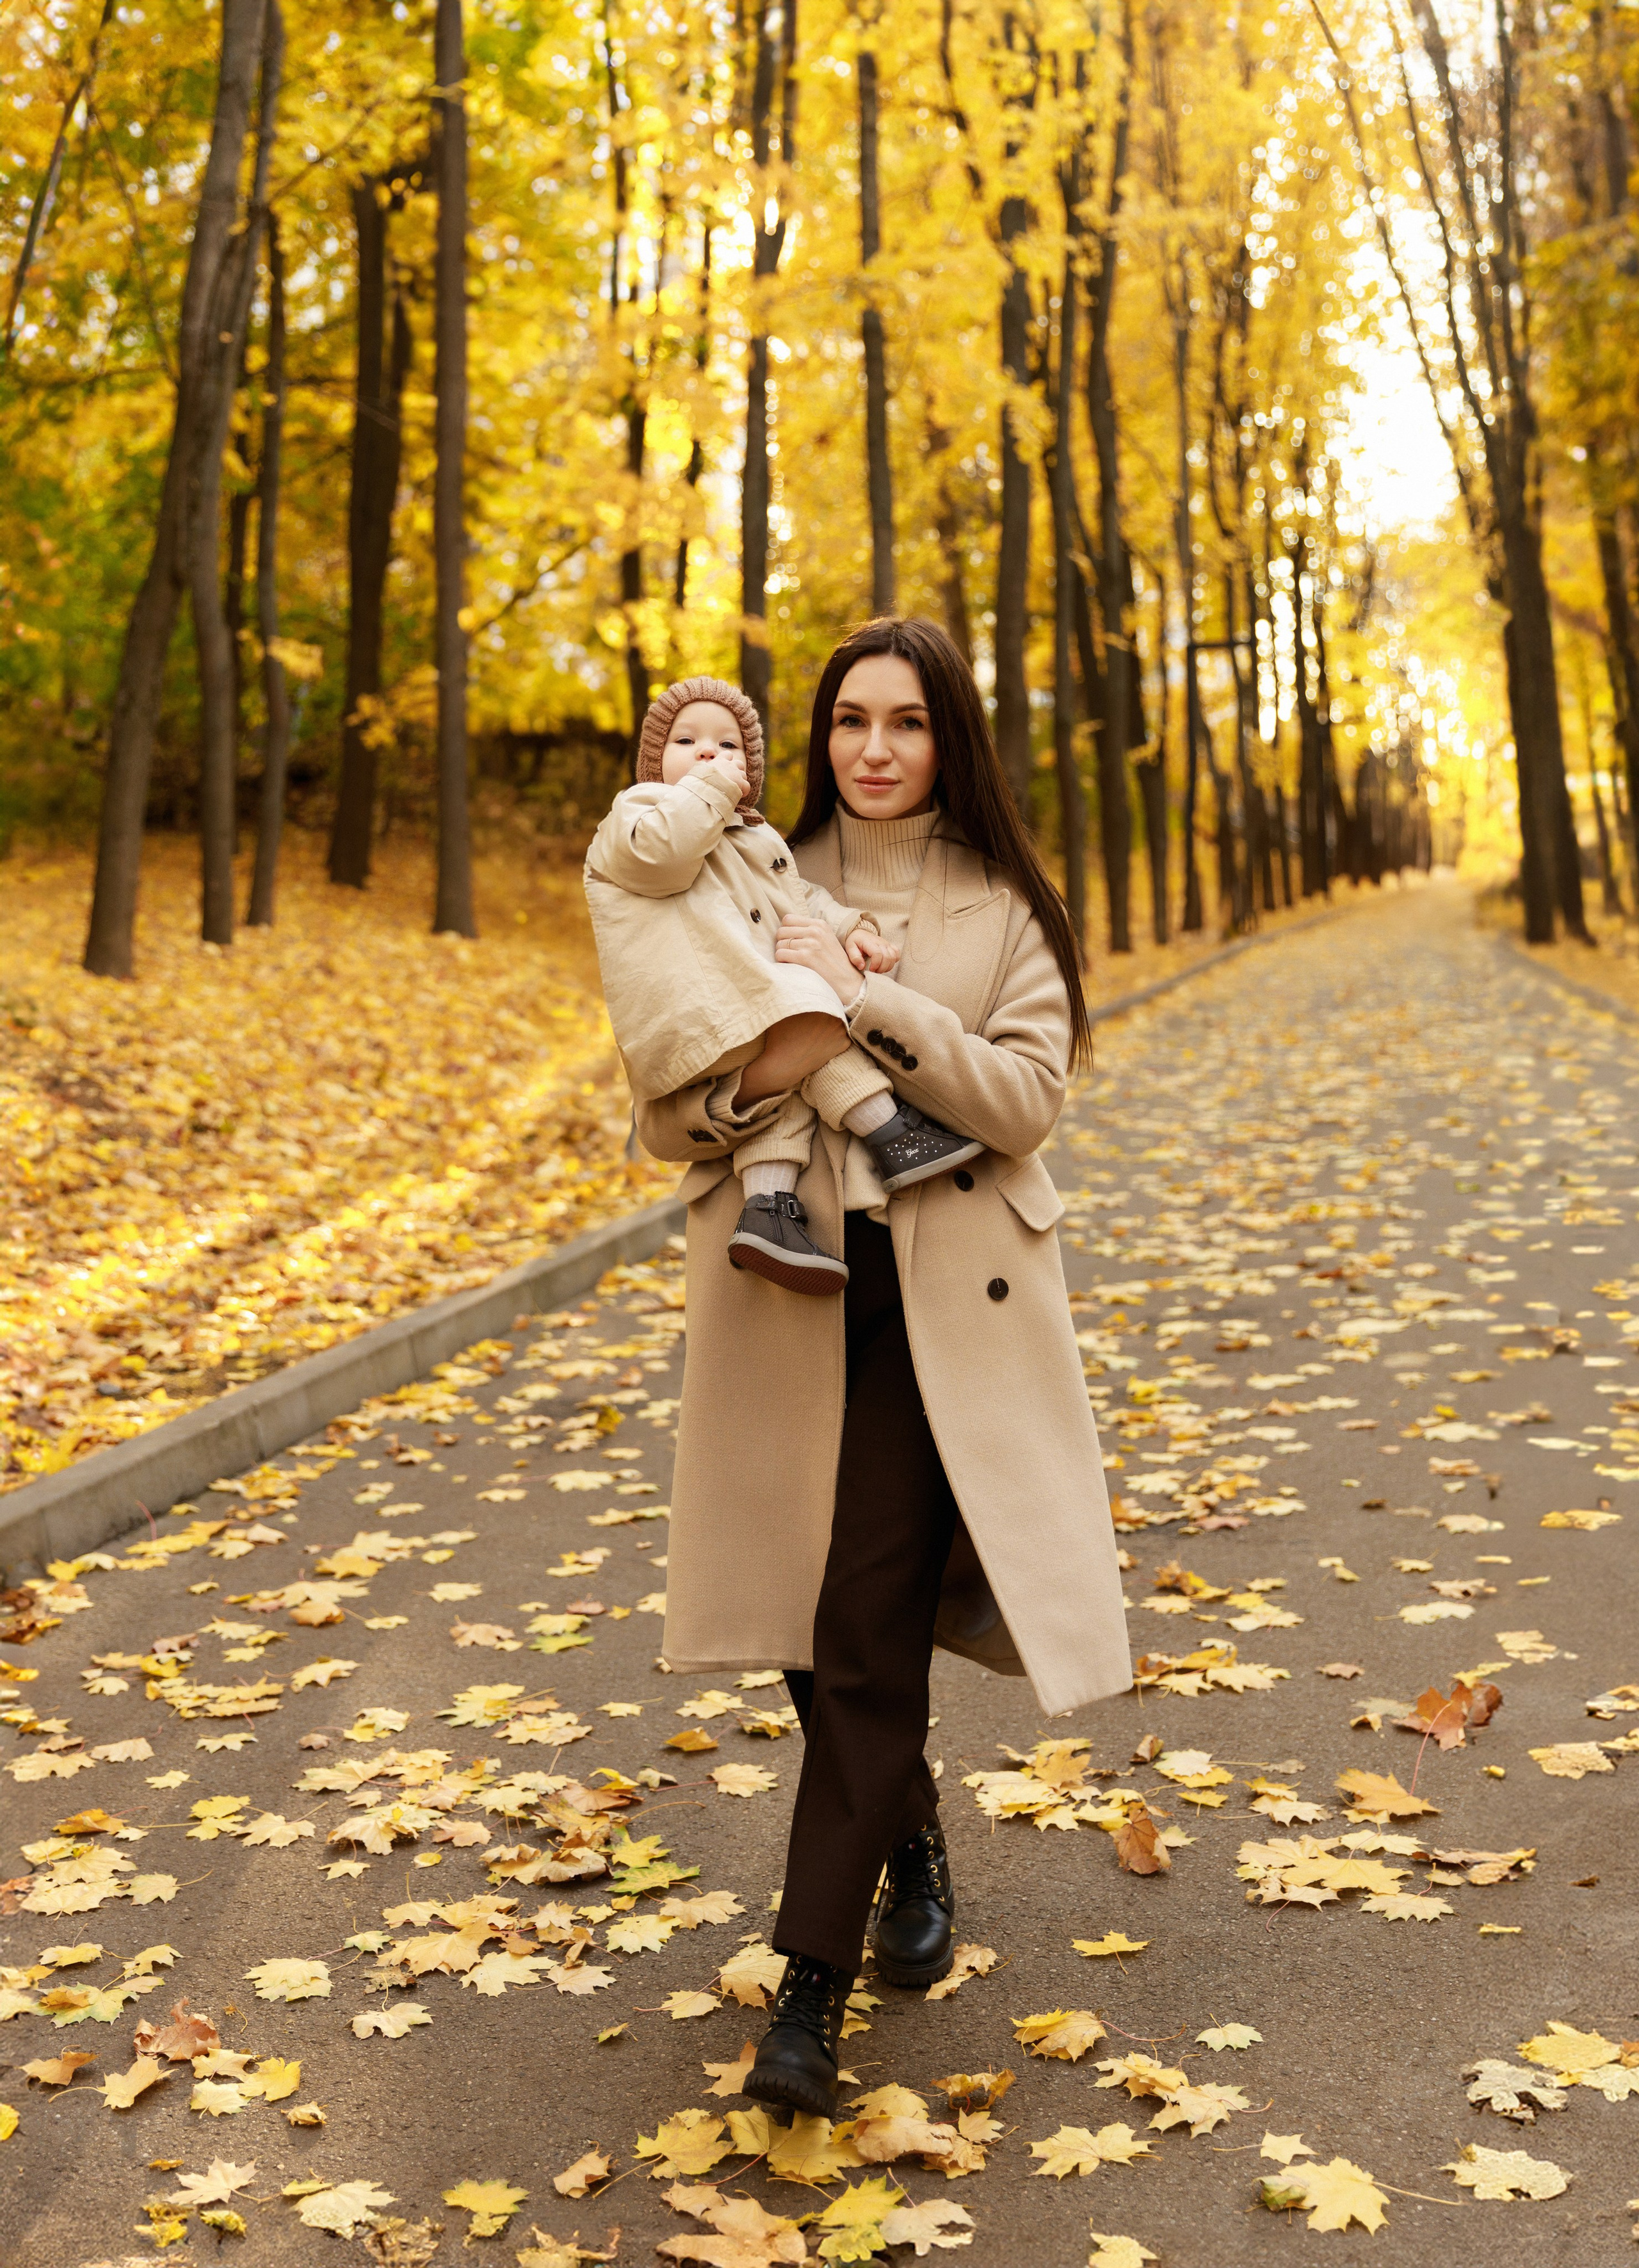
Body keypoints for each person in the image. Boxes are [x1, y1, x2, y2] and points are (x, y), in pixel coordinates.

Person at [633, 619, 1132, 2119]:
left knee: (858, 1631)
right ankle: (906, 1836)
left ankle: (807, 1987)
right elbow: (663, 1102)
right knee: (804, 1623)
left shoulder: (1001, 907)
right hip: (787, 1294)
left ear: (947, 738)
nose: (871, 749)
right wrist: (757, 1067)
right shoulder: (734, 870)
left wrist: (867, 1004)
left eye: (903, 723)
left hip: (941, 1313)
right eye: (848, 720)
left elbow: (1025, 1099)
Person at [585, 674, 985, 1295]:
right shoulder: (634, 816)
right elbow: (664, 855)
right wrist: (713, 787)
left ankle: (768, 1208)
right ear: (652, 761)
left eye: (728, 747)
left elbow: (797, 899)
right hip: (696, 1015)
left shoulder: (753, 839)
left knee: (795, 1077)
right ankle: (888, 1129)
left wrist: (852, 931)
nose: (709, 754)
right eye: (687, 740)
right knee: (818, 1019)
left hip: (744, 1010)